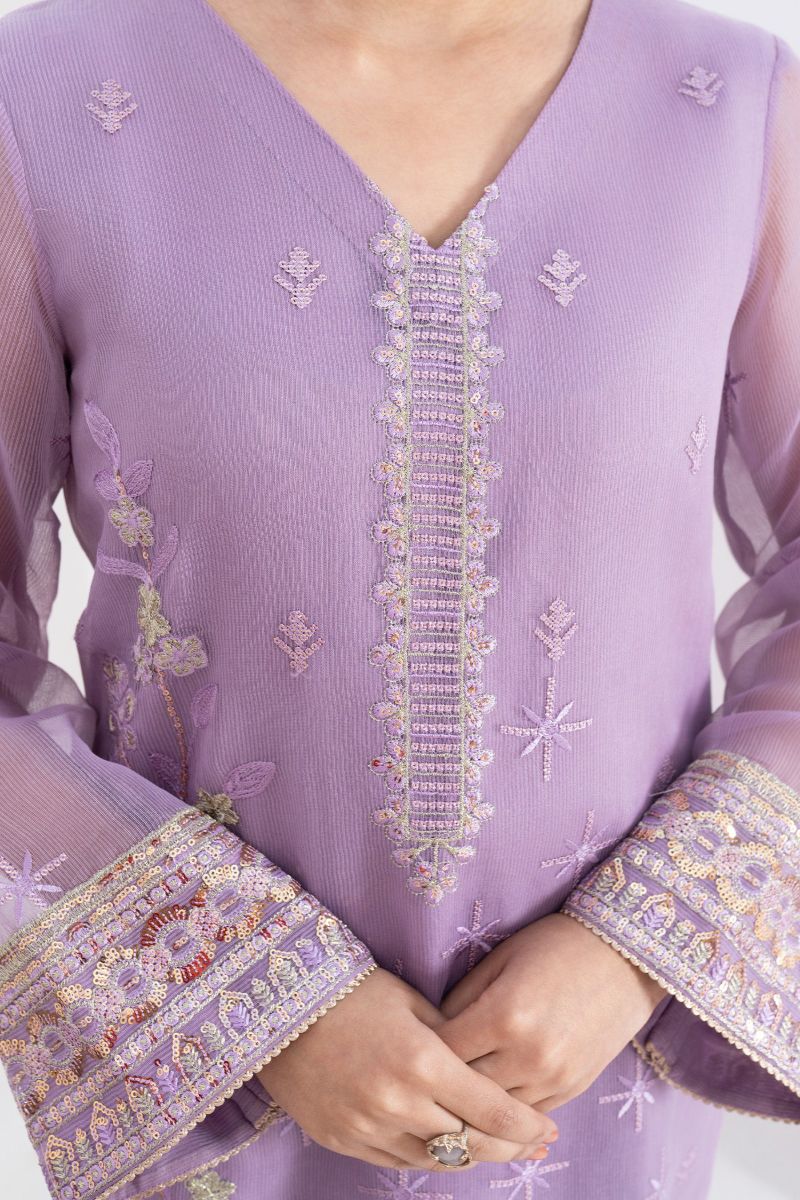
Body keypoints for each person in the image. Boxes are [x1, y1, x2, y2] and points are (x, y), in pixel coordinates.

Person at [0, 0, 798, 1196]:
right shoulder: (42, 98)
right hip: (222, 1108)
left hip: (601, 1096)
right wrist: (249, 1001)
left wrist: (640, 947)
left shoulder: (728, 105)